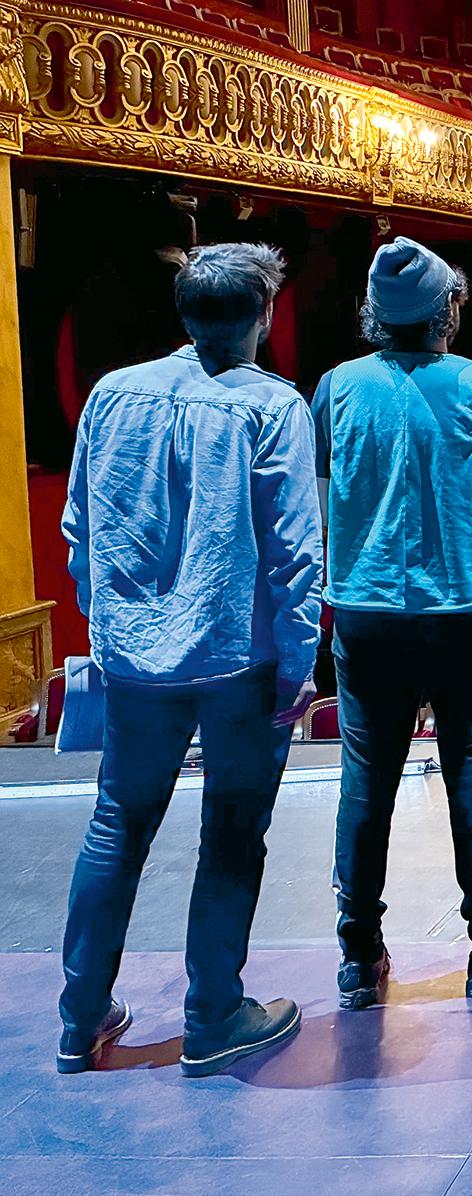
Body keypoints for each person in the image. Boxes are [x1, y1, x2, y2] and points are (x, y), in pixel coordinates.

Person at [58, 244, 322, 1076]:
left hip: (134, 659)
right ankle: (212, 1016)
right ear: (264, 315)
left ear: (184, 312)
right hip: (237, 657)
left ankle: (79, 1019)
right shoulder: (273, 406)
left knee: (116, 824)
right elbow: (295, 552)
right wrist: (300, 660)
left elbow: (79, 528)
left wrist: (109, 622)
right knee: (233, 833)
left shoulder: (111, 392)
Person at [314, 238, 472, 1008]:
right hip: (467, 613)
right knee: (471, 774)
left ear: (375, 314)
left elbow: (325, 502)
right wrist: (464, 554)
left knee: (365, 778)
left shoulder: (335, 388)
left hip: (365, 610)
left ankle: (358, 954)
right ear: (448, 309)